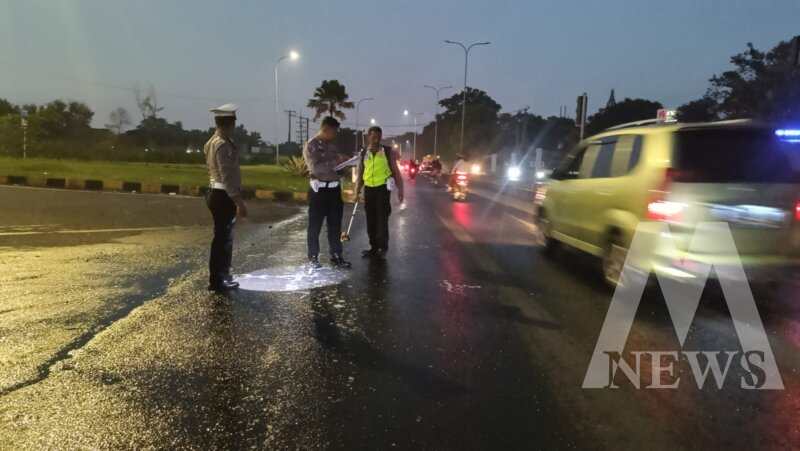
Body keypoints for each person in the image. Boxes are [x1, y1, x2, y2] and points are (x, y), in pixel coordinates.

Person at [204, 103, 247, 292]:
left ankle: (222, 275)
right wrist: (239, 202)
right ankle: (218, 280)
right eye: (233, 122)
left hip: (217, 192)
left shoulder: (212, 141)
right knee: (223, 239)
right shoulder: (222, 145)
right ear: (230, 124)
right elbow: (227, 175)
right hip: (223, 195)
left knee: (222, 238)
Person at [303, 116, 351, 269]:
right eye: (334, 131)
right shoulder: (312, 145)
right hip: (320, 191)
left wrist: (347, 165)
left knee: (335, 225)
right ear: (326, 129)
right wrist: (336, 162)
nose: (335, 135)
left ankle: (336, 255)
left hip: (334, 191)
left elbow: (337, 169)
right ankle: (313, 257)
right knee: (315, 226)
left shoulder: (332, 146)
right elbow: (316, 168)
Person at [355, 126, 404, 259]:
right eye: (373, 136)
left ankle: (382, 247)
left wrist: (401, 189)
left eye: (378, 136)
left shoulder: (387, 152)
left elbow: (395, 171)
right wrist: (357, 190)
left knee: (382, 219)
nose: (376, 139)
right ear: (368, 137)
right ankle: (373, 247)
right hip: (369, 189)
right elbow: (360, 172)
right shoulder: (364, 152)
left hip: (382, 189)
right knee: (370, 220)